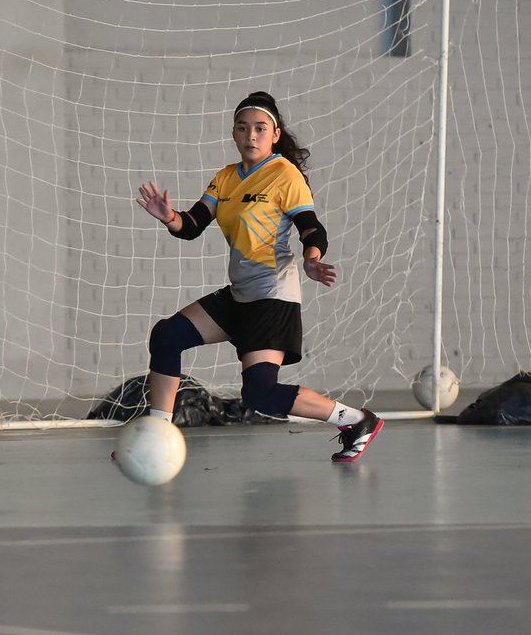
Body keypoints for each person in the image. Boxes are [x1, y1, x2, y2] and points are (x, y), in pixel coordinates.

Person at [136, 90, 384, 463]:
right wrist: (169, 216)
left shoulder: (285, 175)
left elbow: (312, 228)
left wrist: (312, 259)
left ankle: (357, 420)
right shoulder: (225, 178)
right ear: (234, 134)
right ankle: (158, 436)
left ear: (275, 134)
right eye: (242, 128)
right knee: (167, 335)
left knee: (260, 394)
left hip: (272, 297)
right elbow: (192, 225)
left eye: (259, 128)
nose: (250, 135)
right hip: (239, 296)